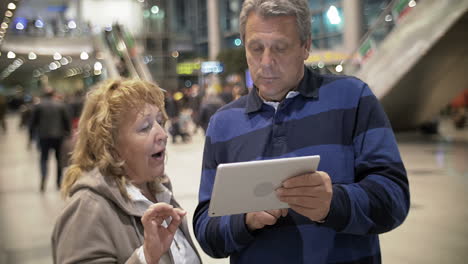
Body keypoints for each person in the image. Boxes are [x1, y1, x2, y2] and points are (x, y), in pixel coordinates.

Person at [193, 1, 410, 263]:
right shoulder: (223, 124)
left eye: (280, 48)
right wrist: (245, 221)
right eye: (256, 48)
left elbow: (395, 199)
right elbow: (206, 231)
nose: (266, 62)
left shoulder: (353, 99)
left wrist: (334, 203)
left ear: (306, 46)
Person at [52, 79, 202, 264]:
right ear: (110, 145)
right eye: (145, 127)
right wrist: (145, 257)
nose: (163, 134)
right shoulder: (88, 208)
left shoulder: (159, 191)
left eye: (160, 122)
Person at [30, 88, 71, 191]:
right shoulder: (60, 105)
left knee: (44, 159)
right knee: (59, 160)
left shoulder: (39, 106)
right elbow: (67, 121)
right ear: (53, 94)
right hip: (58, 136)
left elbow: (33, 122)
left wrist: (31, 136)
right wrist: (68, 133)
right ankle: (58, 182)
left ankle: (43, 178)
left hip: (43, 136)